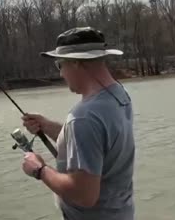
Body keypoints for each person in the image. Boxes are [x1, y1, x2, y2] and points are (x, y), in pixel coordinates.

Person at [20, 27, 135, 220]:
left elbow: (84, 196)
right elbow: (98, 145)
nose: (61, 74)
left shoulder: (84, 117)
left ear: (75, 63)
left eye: (60, 65)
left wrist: (39, 170)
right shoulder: (119, 95)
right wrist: (48, 126)